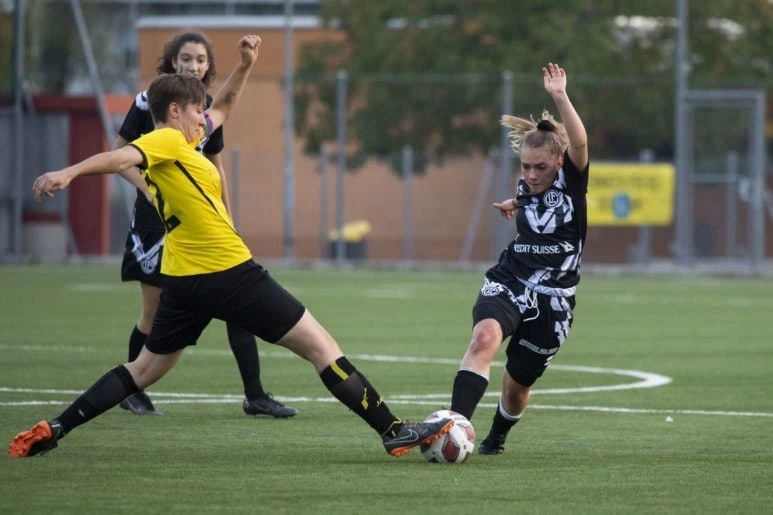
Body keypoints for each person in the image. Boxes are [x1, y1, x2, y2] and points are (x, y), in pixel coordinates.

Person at [9, 34, 453, 459]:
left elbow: (224, 106)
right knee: (321, 347)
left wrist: (245, 66)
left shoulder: (185, 140)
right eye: (195, 109)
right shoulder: (164, 138)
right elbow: (120, 156)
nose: (204, 115)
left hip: (184, 278)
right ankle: (394, 431)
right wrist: (68, 173)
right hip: (229, 272)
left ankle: (56, 427)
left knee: (143, 370)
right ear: (175, 109)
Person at [115, 31, 296, 418]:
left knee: (236, 302)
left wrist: (227, 218)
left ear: (209, 66)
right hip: (155, 223)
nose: (193, 66)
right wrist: (147, 188)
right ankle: (133, 390)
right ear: (172, 62)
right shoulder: (150, 102)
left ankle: (255, 395)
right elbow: (120, 155)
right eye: (185, 59)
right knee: (154, 311)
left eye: (200, 60)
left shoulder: (205, 108)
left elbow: (213, 164)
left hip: (201, 223)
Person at [449, 63, 589, 455]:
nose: (530, 174)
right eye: (525, 167)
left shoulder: (571, 182)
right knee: (483, 339)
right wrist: (514, 201)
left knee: (516, 386)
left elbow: (579, 144)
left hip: (555, 299)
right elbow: (530, 196)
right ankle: (454, 425)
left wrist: (559, 96)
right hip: (511, 280)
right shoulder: (527, 183)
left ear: (558, 163)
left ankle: (496, 437)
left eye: (540, 167)